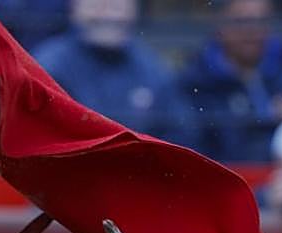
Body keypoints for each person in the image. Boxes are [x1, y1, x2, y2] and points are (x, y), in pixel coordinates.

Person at [32, 0, 197, 146]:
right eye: (97, 2)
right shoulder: (49, 65)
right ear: (75, 7)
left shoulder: (153, 69)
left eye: (117, 3)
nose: (107, 12)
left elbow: (181, 135)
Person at [179, 0, 282, 162]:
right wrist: (270, 122)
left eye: (260, 21)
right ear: (220, 22)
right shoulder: (195, 81)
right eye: (242, 21)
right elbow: (193, 152)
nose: (251, 31)